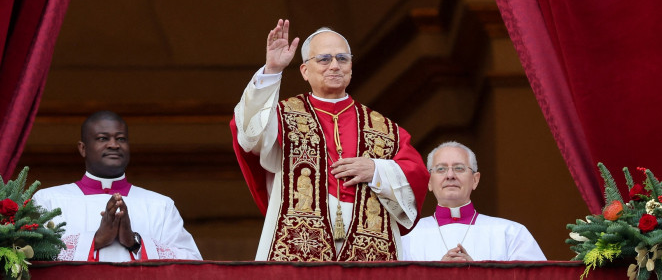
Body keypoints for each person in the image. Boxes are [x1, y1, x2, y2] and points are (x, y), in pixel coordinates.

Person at [231, 19, 429, 261]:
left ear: (351, 67)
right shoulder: (281, 116)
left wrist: (377, 170)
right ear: (305, 70)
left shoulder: (385, 128)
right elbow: (249, 133)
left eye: (342, 59)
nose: (334, 65)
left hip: (369, 242)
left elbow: (417, 175)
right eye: (324, 59)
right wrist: (272, 70)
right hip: (298, 239)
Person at [33, 111, 202, 262]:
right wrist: (95, 240)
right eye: (102, 138)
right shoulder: (48, 200)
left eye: (121, 139)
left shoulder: (161, 205)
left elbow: (192, 263)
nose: (114, 145)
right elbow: (28, 255)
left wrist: (135, 242)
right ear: (83, 148)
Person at [401, 141, 546, 261]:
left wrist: (478, 274)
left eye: (459, 168)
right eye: (441, 169)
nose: (450, 175)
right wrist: (436, 274)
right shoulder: (406, 237)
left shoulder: (511, 234)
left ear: (475, 180)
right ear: (429, 182)